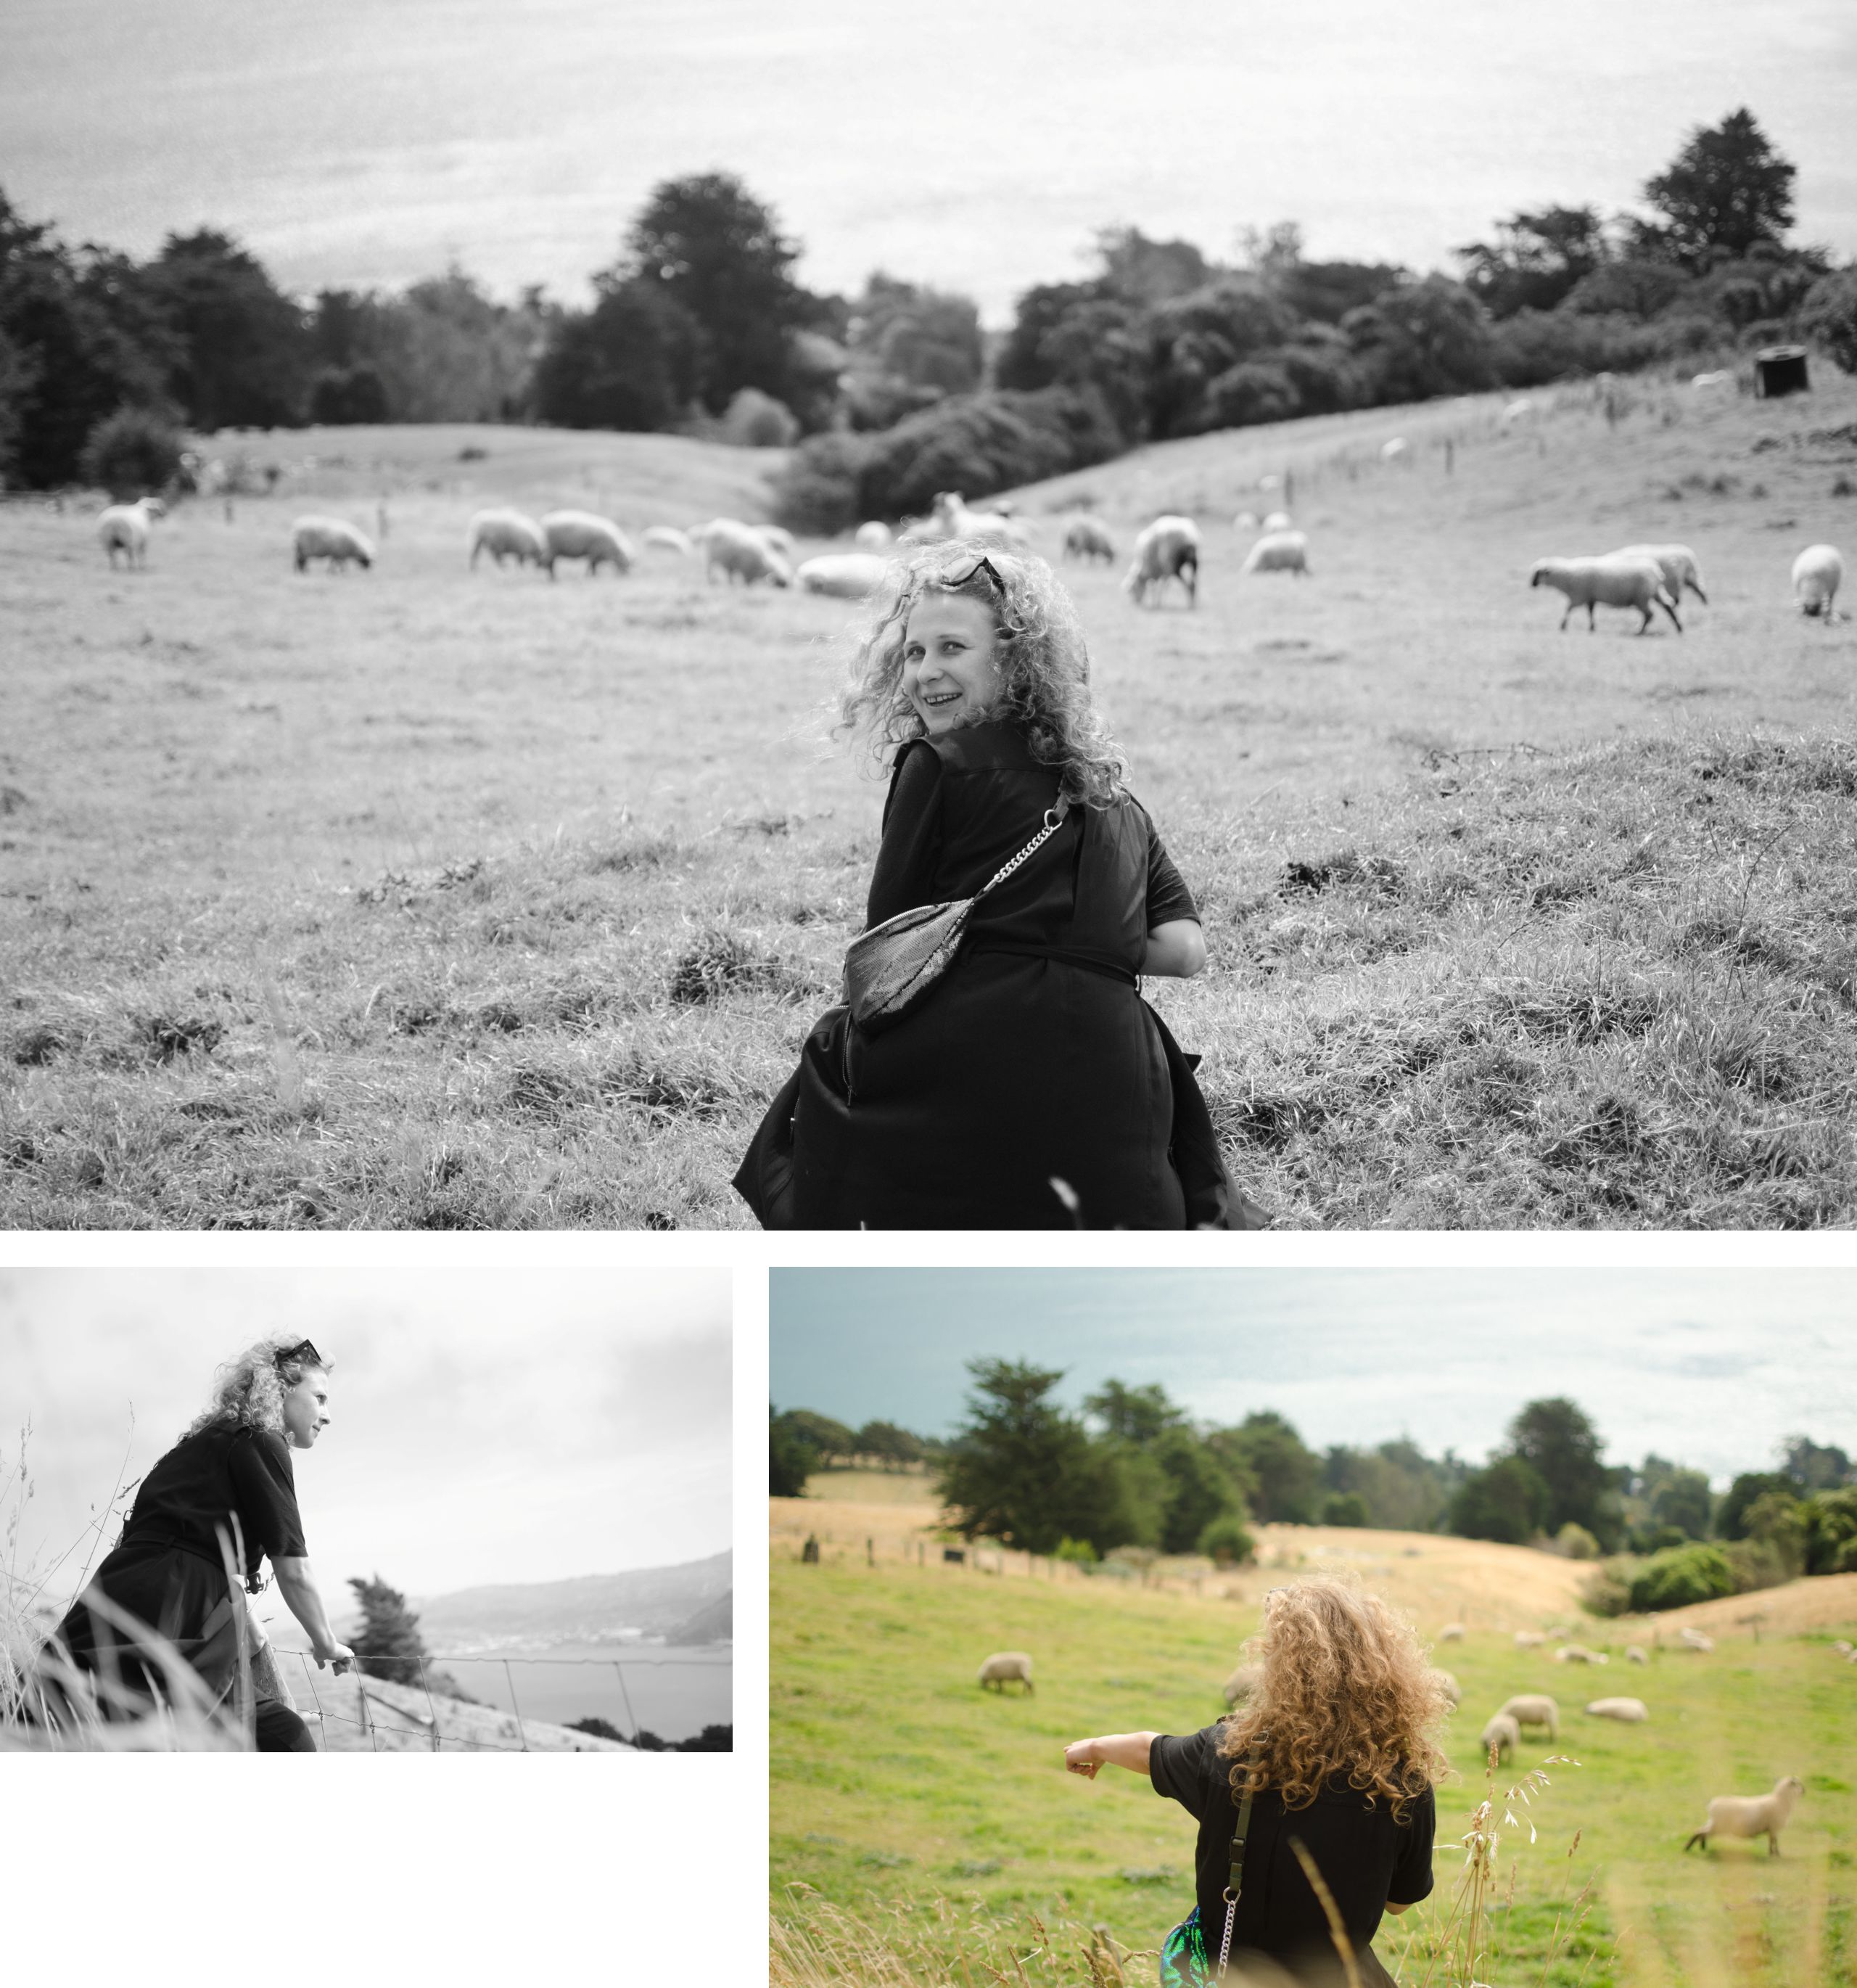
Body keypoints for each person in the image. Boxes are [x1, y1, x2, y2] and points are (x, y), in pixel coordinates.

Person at [734, 540, 1255, 1229]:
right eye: (914, 652)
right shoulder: (1117, 802)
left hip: (968, 1054)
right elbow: (1185, 952)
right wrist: (1075, 938)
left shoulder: (936, 762)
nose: (926, 672)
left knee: (821, 1083)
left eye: (953, 648)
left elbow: (886, 956)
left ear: (1015, 660)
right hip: (1114, 1072)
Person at [1063, 1580, 1447, 1986]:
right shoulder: (1402, 1783)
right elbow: (1400, 1903)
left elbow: (1151, 1751)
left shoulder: (1230, 1754)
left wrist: (1093, 1747)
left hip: (1226, 1972)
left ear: (1282, 1667)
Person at [47, 1336, 355, 1751]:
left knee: (278, 1732)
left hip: (119, 1588)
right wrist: (326, 1641)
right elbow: (293, 1567)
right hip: (180, 1605)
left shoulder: (197, 1445)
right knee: (270, 1739)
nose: (327, 1415)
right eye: (319, 1398)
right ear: (281, 1389)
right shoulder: (261, 1441)